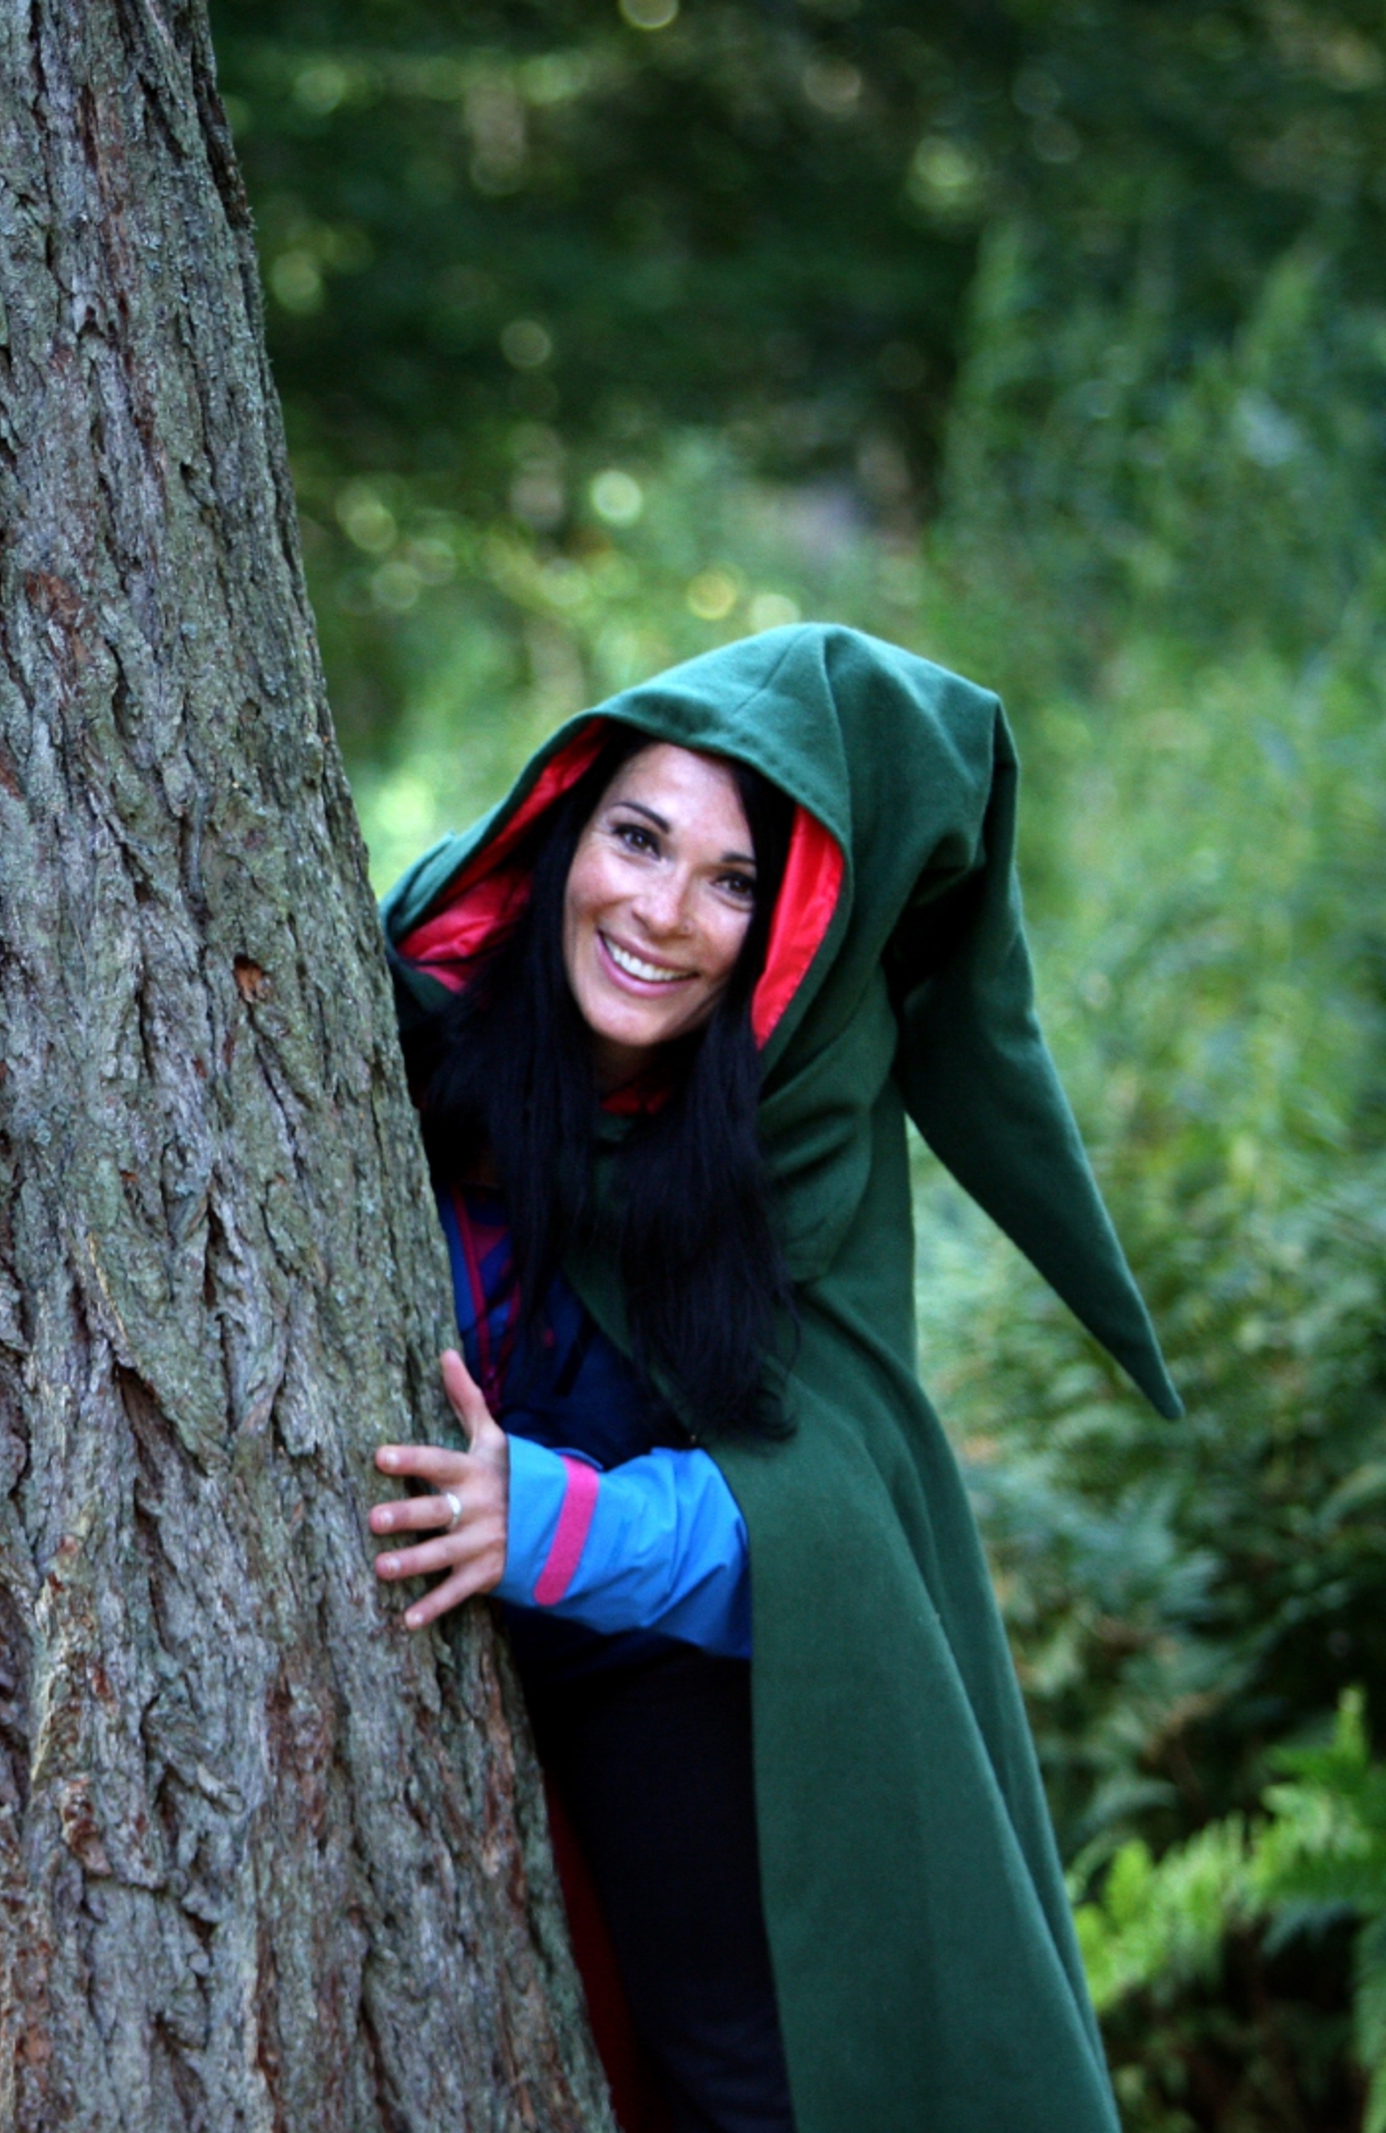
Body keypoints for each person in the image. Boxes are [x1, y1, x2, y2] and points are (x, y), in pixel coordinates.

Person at [358, 624, 1178, 2133]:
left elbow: (823, 1520)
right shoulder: (416, 996)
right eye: (640, 838)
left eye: (733, 881)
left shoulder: (794, 1125)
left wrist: (546, 1522)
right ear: (565, 826)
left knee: (749, 2084)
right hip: (418, 1688)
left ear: (790, 921)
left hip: (662, 1701)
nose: (662, 912)